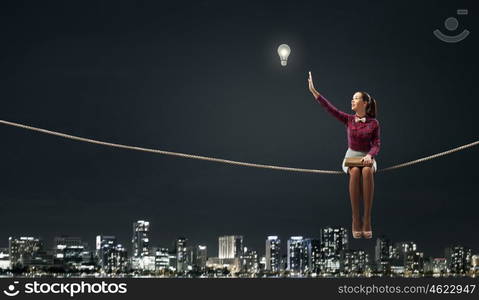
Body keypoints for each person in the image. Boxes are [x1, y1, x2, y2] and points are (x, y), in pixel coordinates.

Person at [307, 71, 381, 239]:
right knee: (355, 172)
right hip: (351, 156)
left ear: (364, 103)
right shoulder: (348, 119)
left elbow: (376, 144)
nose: (352, 100)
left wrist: (370, 155)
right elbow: (330, 108)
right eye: (352, 98)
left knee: (367, 171)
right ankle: (356, 219)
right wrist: (314, 91)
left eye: (356, 98)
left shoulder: (374, 123)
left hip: (368, 156)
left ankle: (367, 219)